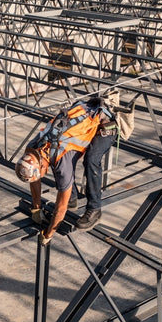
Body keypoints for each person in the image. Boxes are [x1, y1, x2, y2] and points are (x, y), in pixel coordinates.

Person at [15, 98, 115, 245]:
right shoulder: (33, 148)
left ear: (41, 167)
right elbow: (35, 178)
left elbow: (60, 209)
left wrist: (48, 234)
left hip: (105, 123)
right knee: (57, 166)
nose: (39, 178)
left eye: (40, 174)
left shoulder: (62, 164)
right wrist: (36, 208)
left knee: (91, 160)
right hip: (83, 116)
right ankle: (72, 199)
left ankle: (95, 209)